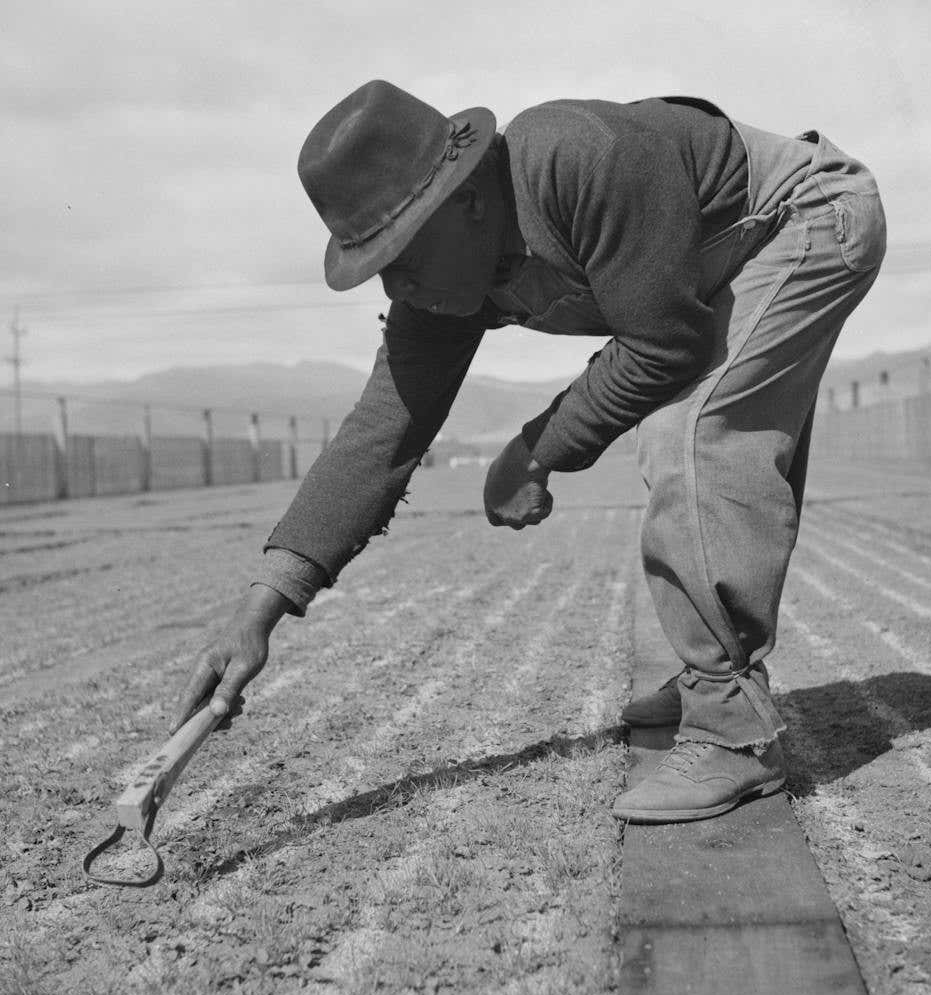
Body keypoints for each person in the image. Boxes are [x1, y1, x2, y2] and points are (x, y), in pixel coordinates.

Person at [171, 79, 885, 823]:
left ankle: (734, 733)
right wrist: (259, 610)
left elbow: (665, 342)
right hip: (722, 269)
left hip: (810, 216)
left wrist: (535, 451)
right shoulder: (445, 277)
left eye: (400, 253)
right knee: (695, 425)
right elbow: (379, 433)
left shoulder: (581, 158)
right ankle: (714, 680)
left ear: (469, 202)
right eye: (375, 261)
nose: (394, 283)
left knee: (692, 431)